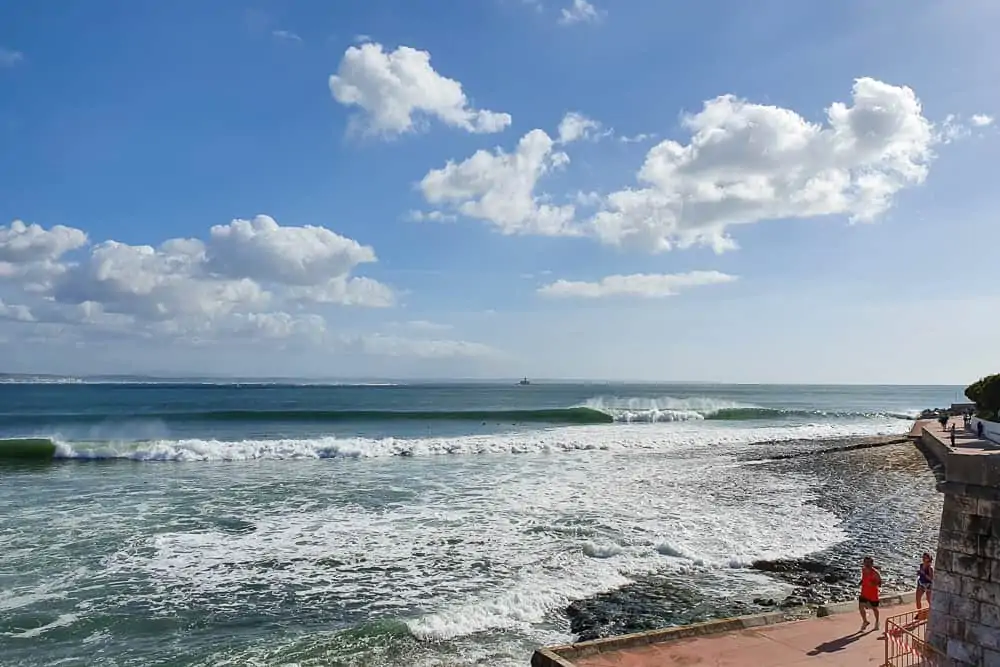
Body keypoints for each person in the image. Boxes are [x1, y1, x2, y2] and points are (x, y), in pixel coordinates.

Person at [859, 556, 882, 631]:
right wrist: (861, 582)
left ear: (872, 564)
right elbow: (863, 578)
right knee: (861, 607)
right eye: (865, 562)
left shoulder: (875, 573)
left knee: (874, 608)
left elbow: (880, 583)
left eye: (869, 562)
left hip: (872, 593)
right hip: (864, 591)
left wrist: (874, 583)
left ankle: (877, 621)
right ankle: (865, 621)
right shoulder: (863, 570)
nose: (867, 564)